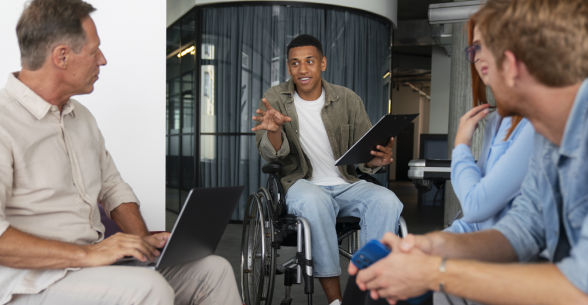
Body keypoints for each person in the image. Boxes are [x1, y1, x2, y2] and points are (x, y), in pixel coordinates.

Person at [0, 0, 242, 304]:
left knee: (213, 269)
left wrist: (142, 243)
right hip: (34, 282)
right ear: (61, 56)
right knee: (149, 289)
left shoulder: (82, 118)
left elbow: (114, 189)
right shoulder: (4, 123)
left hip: (94, 265)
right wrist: (88, 253)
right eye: (93, 51)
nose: (102, 60)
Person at [348, 0, 588, 304]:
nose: (478, 65)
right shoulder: (546, 135)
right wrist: (430, 246)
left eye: (485, 53)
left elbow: (580, 290)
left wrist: (435, 272)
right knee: (372, 286)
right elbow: (523, 229)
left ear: (512, 66)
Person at [253, 34, 403, 304]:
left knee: (387, 200)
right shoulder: (275, 97)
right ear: (288, 67)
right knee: (315, 201)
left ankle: (368, 295)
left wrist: (375, 161)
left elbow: (365, 154)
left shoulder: (347, 99)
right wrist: (274, 130)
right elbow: (270, 151)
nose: (302, 69)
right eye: (295, 63)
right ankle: (336, 302)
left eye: (309, 61)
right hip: (301, 185)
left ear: (322, 63)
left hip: (346, 183)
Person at [445, 16, 535, 234]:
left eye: (492, 44)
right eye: (476, 47)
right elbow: (477, 222)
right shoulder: (495, 122)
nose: (481, 56)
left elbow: (477, 207)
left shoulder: (536, 123)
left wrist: (461, 147)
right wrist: (417, 247)